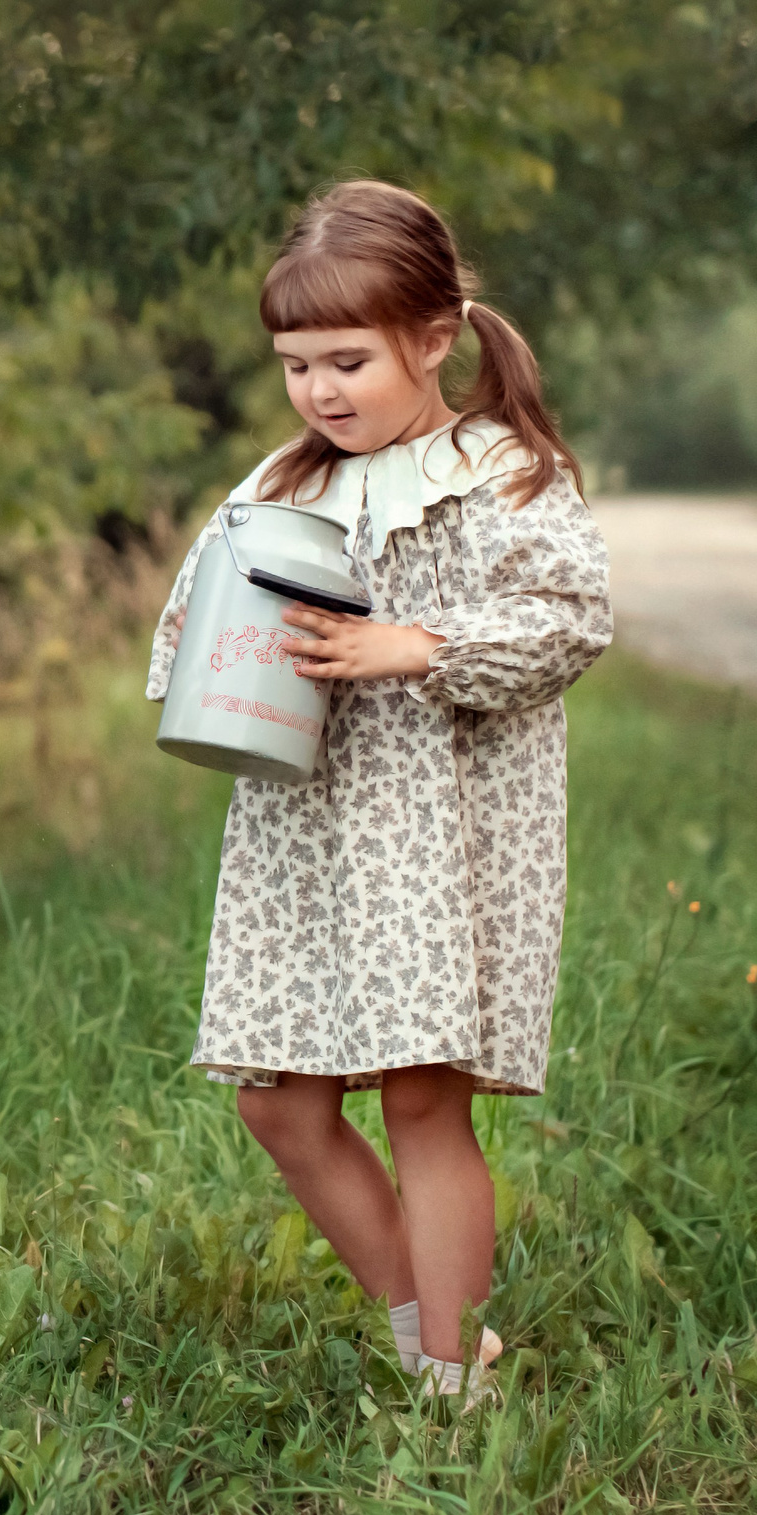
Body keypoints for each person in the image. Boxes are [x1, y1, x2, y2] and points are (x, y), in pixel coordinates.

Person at [145, 181, 613, 1399]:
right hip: (301, 834)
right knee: (277, 1106)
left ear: (434, 335)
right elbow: (188, 627)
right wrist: (211, 671)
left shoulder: (496, 471)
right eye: (296, 366)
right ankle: (441, 1335)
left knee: (420, 1099)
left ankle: (447, 1377)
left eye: (346, 361)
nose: (320, 390)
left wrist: (413, 644)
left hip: (437, 834)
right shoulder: (278, 483)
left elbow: (568, 618)